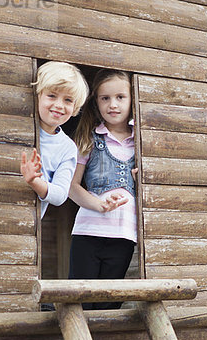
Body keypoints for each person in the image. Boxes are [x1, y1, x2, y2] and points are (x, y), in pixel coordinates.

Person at [68, 69, 137, 309]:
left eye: (120, 97)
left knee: (109, 303)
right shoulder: (89, 138)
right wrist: (98, 204)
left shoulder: (142, 141)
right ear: (96, 103)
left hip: (124, 236)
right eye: (105, 98)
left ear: (133, 99)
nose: (113, 104)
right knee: (82, 300)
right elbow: (72, 187)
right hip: (88, 233)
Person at [20, 61, 89, 219]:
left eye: (68, 100)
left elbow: (60, 195)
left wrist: (35, 181)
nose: (59, 105)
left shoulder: (67, 148)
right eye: (51, 96)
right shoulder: (17, 126)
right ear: (37, 96)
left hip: (26, 223)